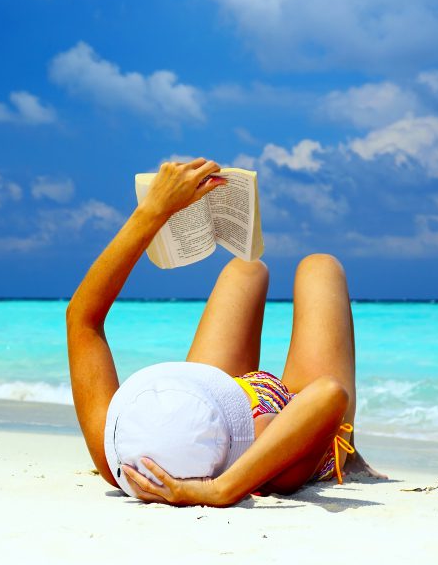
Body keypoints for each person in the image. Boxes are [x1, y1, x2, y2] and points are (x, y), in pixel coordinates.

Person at [66, 157, 383, 507]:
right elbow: (329, 395)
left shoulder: (117, 458)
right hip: (290, 418)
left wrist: (154, 211)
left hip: (210, 395)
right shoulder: (273, 471)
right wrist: (221, 490)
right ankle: (350, 457)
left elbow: (82, 318)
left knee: (245, 269)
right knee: (320, 267)